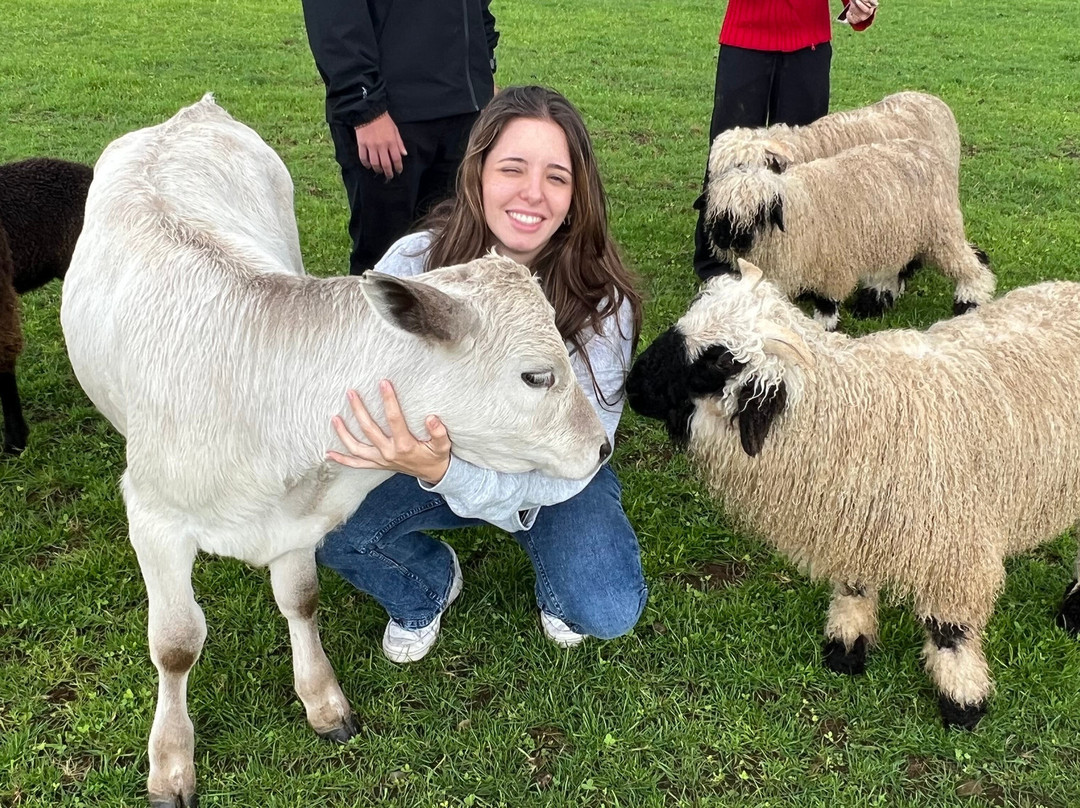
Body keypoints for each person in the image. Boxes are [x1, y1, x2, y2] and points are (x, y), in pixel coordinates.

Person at [316, 86, 648, 662]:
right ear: (477, 175)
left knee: (606, 607)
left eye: (557, 177)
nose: (532, 194)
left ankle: (555, 572)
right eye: (512, 168)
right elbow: (355, 381)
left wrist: (452, 474)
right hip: (424, 463)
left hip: (547, 467)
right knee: (325, 525)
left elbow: (583, 456)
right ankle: (427, 586)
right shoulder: (417, 268)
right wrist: (433, 468)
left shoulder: (603, 304)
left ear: (577, 194)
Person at [300, 0, 499, 276]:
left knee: (455, 250)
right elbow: (334, 13)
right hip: (390, 117)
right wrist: (364, 107)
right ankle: (368, 320)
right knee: (384, 261)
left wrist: (483, 67)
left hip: (464, 108)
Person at [692, 0, 878, 281]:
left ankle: (796, 257)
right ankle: (717, 259)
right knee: (733, 155)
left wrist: (856, 4)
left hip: (808, 41)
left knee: (803, 160)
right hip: (745, 35)